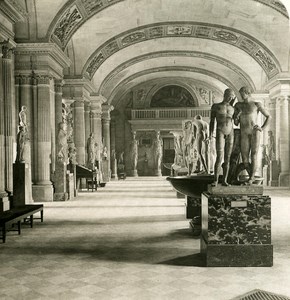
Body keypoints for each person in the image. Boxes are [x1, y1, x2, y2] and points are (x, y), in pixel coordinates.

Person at [234, 86, 271, 184]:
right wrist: (237, 116)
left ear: (247, 93)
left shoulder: (256, 104)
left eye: (242, 93)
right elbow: (236, 123)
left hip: (254, 132)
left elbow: (268, 116)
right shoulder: (238, 105)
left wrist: (262, 128)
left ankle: (251, 177)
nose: (241, 95)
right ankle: (252, 176)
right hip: (244, 132)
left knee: (254, 154)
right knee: (245, 158)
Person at [209, 88, 236, 186]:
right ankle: (215, 180)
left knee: (227, 158)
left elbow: (236, 122)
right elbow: (212, 121)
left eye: (232, 96)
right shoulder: (216, 106)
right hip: (220, 130)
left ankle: (225, 180)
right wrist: (210, 134)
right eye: (229, 96)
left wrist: (238, 114)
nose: (231, 98)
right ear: (225, 95)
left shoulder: (233, 108)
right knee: (219, 157)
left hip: (230, 132)